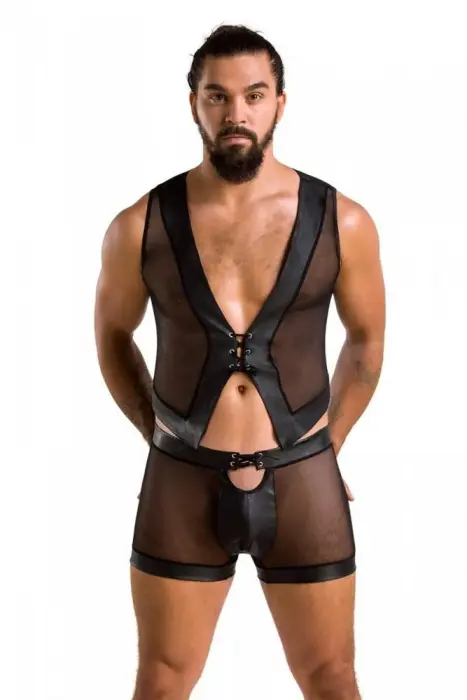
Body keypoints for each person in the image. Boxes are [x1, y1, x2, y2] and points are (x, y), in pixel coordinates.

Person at [94, 23, 385, 700]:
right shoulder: (140, 225)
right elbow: (111, 336)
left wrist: (329, 445)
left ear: (279, 102)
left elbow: (367, 341)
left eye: (253, 95)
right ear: (193, 103)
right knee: (162, 681)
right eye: (217, 96)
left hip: (303, 472)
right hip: (182, 476)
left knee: (332, 679)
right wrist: (155, 434)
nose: (236, 114)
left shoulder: (342, 220)